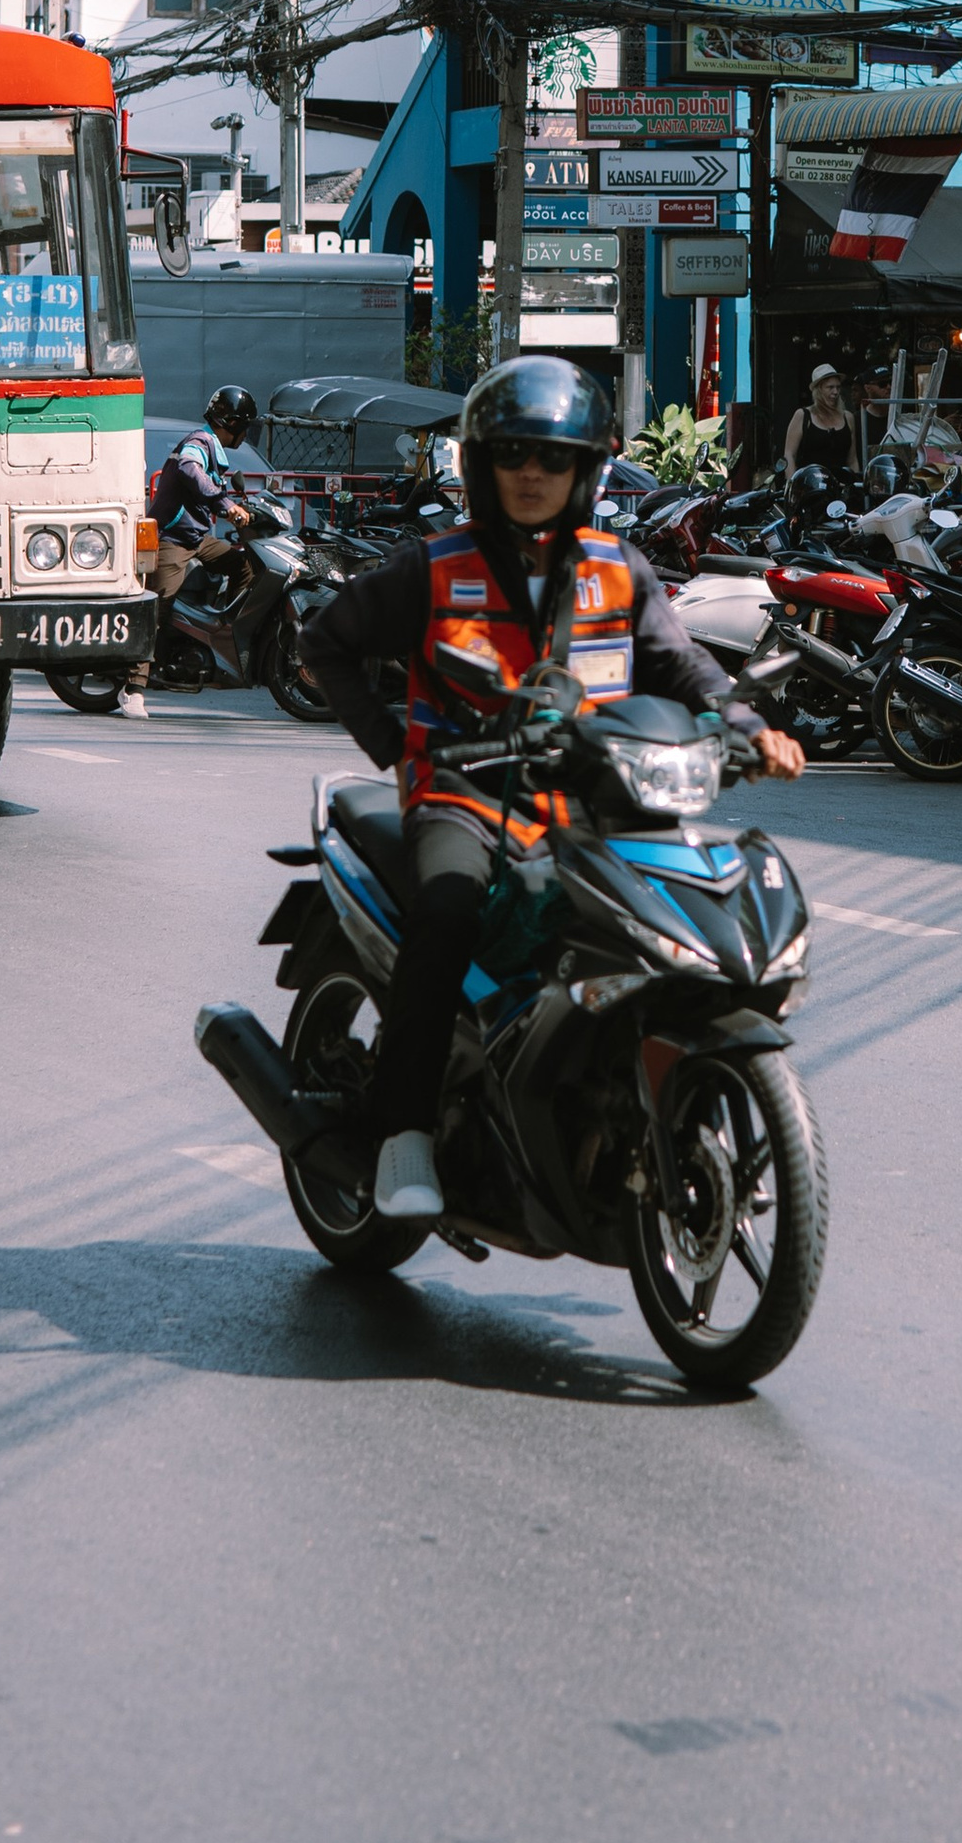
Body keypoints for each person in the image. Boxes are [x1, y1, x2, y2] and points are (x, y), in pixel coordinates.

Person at [301, 353, 805, 1223]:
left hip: (594, 799)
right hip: (466, 799)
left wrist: (748, 729)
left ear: (586, 470)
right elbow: (327, 642)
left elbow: (681, 666)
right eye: (513, 457)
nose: (532, 475)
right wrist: (396, 748)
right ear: (480, 466)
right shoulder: (434, 568)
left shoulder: (620, 570)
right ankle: (404, 1134)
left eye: (553, 458)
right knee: (450, 913)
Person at [126, 387, 263, 720]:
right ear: (229, 422)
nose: (246, 433)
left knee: (245, 566)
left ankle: (218, 640)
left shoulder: (214, 450)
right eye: (243, 425)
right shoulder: (198, 444)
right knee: (158, 606)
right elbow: (190, 471)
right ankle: (133, 688)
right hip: (172, 538)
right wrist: (226, 506)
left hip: (197, 537)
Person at [784, 361, 858, 485]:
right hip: (810, 486)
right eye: (830, 387)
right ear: (819, 390)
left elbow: (852, 459)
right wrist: (792, 485)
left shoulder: (848, 417)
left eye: (838, 387)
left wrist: (856, 484)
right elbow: (789, 454)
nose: (835, 392)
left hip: (841, 486)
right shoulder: (803, 416)